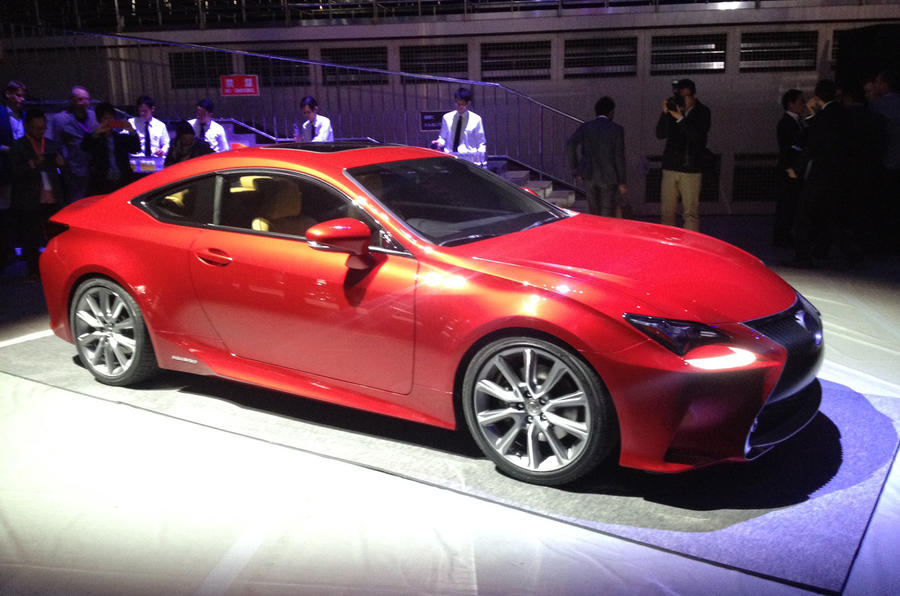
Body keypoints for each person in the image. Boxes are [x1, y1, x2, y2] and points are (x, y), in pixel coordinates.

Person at [790, 79, 859, 267]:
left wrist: (797, 169)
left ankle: (802, 256)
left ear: (817, 95)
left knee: (802, 215)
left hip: (820, 173)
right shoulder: (846, 114)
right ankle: (851, 252)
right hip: (840, 173)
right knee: (829, 216)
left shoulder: (821, 118)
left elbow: (810, 147)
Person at [9, 109, 65, 281]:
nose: (39, 132)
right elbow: (11, 173)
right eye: (36, 128)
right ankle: (33, 270)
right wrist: (32, 163)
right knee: (30, 237)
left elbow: (64, 172)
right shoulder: (18, 146)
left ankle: (55, 268)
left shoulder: (51, 144)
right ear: (27, 127)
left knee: (54, 236)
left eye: (42, 128)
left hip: (52, 197)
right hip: (29, 198)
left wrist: (61, 164)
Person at [654, 78, 711, 231]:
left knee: (690, 213)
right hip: (671, 166)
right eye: (680, 97)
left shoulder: (703, 112)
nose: (682, 101)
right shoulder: (674, 111)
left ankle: (690, 247)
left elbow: (697, 137)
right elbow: (659, 134)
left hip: (691, 169)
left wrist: (680, 118)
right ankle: (668, 247)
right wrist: (665, 113)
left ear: (693, 96)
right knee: (667, 212)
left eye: (685, 97)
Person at [565, 96, 627, 217]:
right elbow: (619, 157)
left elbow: (570, 144)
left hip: (589, 174)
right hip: (609, 177)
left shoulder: (586, 127)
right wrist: (622, 182)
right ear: (611, 112)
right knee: (607, 212)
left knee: (593, 211)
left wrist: (576, 168)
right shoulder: (616, 129)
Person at [48, 85, 98, 204]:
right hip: (73, 167)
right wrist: (60, 160)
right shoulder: (60, 119)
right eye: (80, 99)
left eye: (87, 99)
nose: (85, 102)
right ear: (71, 100)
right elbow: (55, 143)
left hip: (94, 166)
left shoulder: (93, 116)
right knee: (76, 201)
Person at [869, 69, 900, 254]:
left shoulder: (881, 105)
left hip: (887, 162)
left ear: (885, 84)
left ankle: (883, 245)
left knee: (884, 207)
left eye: (878, 82)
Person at [81, 102, 140, 196]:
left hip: (123, 180)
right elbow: (85, 147)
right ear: (99, 120)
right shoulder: (93, 137)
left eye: (111, 118)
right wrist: (97, 133)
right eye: (105, 118)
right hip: (101, 182)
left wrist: (132, 131)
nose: (108, 121)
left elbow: (136, 148)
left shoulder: (121, 137)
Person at [773, 89, 807, 247]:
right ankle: (782, 236)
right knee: (786, 204)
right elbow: (788, 148)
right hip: (790, 169)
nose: (804, 105)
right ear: (790, 103)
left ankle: (785, 235)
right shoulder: (787, 122)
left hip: (793, 168)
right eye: (801, 101)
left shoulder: (797, 121)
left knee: (790, 204)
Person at [1, 80, 27, 271]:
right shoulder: (1, 114)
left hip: (24, 169)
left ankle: (24, 249)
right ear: (8, 94)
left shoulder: (23, 115)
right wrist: (6, 149)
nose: (21, 99)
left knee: (22, 210)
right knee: (5, 212)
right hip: (5, 169)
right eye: (18, 95)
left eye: (23, 95)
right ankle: (6, 251)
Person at [432, 87, 487, 167]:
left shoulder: (476, 119)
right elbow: (443, 137)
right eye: (457, 104)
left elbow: (481, 143)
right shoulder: (447, 118)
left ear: (468, 103)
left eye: (462, 104)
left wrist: (481, 161)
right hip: (451, 158)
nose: (459, 107)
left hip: (470, 160)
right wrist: (439, 143)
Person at [128, 95, 169, 159]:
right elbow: (123, 139)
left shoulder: (160, 125)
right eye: (140, 111)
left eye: (145, 111)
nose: (142, 113)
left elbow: (166, 144)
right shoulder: (131, 123)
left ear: (152, 109)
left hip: (155, 157)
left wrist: (163, 150)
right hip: (137, 157)